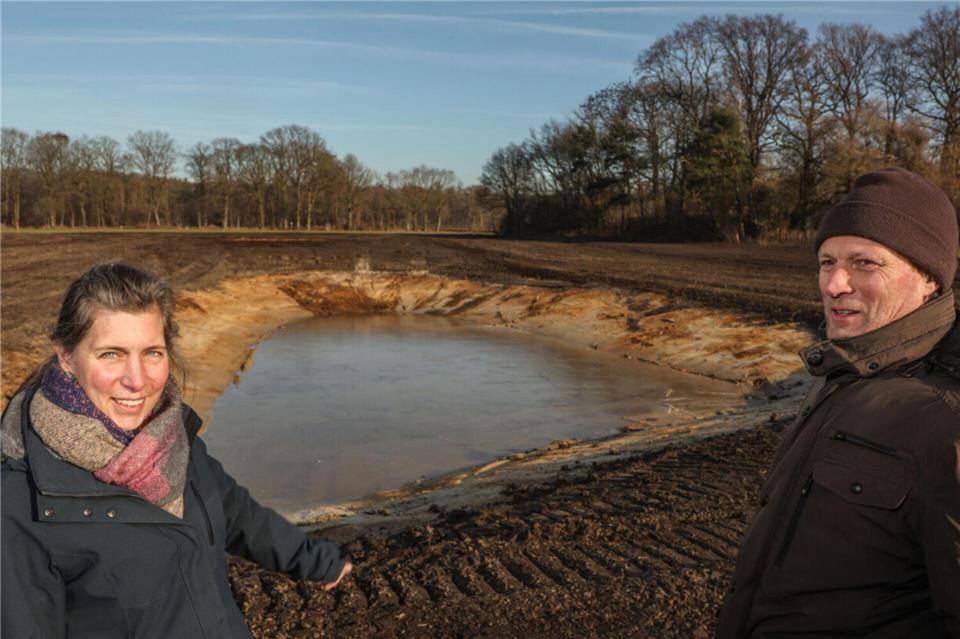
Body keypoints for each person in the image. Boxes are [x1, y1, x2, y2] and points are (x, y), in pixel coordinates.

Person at [1, 263, 353, 638]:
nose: (137, 380)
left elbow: (236, 512)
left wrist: (316, 560)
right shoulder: (19, 502)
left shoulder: (171, 436)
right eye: (111, 355)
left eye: (152, 352)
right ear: (67, 357)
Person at [716, 167, 960, 638]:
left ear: (929, 278)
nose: (834, 285)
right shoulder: (844, 373)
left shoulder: (947, 421)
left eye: (864, 263)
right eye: (827, 262)